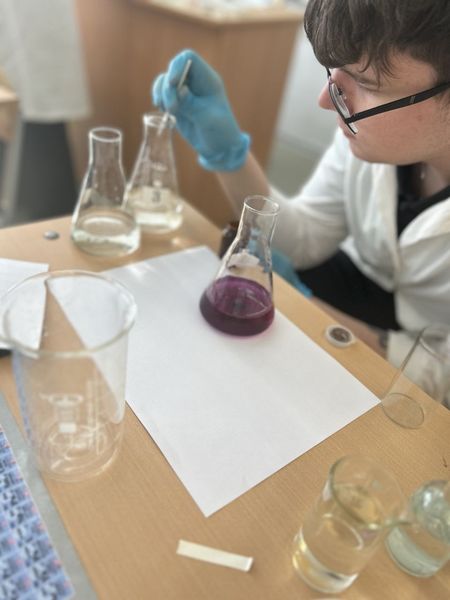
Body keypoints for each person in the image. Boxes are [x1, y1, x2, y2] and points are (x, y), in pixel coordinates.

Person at [152, 0, 450, 365]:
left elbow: (439, 375)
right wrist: (229, 156)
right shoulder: (370, 136)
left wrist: (311, 308)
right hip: (368, 286)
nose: (326, 100)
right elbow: (308, 237)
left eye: (365, 82)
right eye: (336, 72)